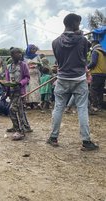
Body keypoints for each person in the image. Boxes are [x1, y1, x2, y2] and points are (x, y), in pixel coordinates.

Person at [47, 13, 99, 151]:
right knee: (82, 109)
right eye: (78, 23)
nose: (79, 25)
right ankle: (86, 141)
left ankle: (53, 137)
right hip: (79, 79)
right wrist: (80, 36)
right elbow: (84, 56)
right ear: (73, 23)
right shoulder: (82, 40)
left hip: (62, 78)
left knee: (58, 108)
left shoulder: (55, 42)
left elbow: (58, 61)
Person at [5, 48, 32, 140]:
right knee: (20, 110)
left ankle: (19, 131)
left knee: (12, 109)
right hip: (12, 91)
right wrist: (6, 89)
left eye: (20, 53)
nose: (20, 55)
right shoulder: (9, 66)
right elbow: (7, 79)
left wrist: (21, 83)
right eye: (17, 54)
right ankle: (24, 127)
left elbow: (27, 77)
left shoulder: (23, 65)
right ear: (12, 55)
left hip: (20, 91)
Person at [87, 39, 106, 112]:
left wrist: (86, 67)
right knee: (100, 91)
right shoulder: (103, 52)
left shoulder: (95, 51)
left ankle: (94, 106)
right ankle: (99, 106)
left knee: (93, 90)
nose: (91, 46)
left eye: (92, 44)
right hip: (103, 74)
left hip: (96, 74)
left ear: (94, 44)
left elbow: (93, 63)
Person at [24, 44, 42, 109]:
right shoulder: (25, 57)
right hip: (28, 74)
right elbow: (23, 65)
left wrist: (37, 64)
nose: (34, 50)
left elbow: (41, 64)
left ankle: (35, 103)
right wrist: (28, 65)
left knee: (35, 88)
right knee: (28, 89)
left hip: (35, 74)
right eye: (32, 49)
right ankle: (28, 103)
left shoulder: (37, 56)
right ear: (29, 49)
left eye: (34, 49)